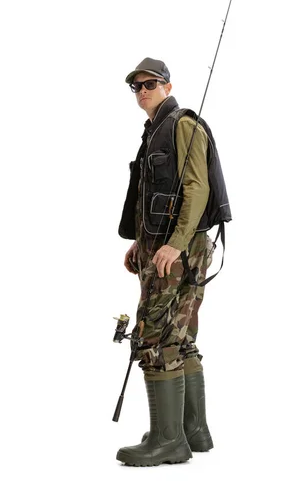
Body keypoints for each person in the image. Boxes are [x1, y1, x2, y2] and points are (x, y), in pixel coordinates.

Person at [116, 57, 231, 466]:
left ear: (167, 85)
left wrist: (175, 245)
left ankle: (167, 440)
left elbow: (197, 189)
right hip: (165, 245)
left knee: (153, 332)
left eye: (151, 83)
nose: (143, 90)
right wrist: (140, 242)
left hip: (179, 250)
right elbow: (158, 197)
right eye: (137, 86)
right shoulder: (155, 130)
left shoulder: (182, 124)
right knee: (179, 335)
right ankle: (192, 432)